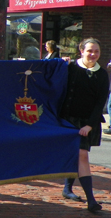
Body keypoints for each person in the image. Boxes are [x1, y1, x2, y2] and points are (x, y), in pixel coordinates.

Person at [60, 38, 109, 213]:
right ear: (81, 51)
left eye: (96, 51)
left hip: (87, 123)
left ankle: (85, 198)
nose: (93, 54)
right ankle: (76, 193)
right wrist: (60, 62)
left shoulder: (102, 74)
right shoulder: (70, 68)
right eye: (89, 51)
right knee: (78, 155)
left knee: (81, 155)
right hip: (68, 119)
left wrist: (89, 125)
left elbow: (100, 102)